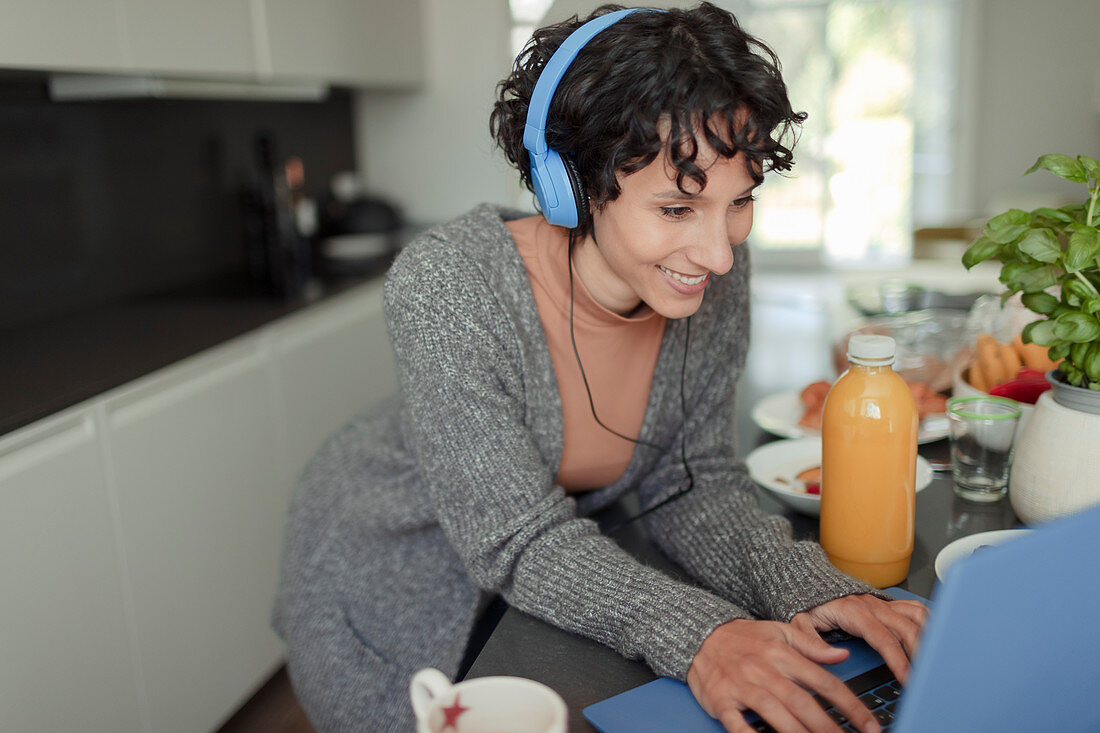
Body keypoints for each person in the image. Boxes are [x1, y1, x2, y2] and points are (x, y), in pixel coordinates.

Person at [272, 4, 927, 732]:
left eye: (739, 202)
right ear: (571, 185)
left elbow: (693, 476)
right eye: (678, 208)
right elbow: (515, 535)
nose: (718, 251)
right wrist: (703, 636)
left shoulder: (711, 274)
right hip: (393, 567)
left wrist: (806, 586)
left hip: (559, 552)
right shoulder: (447, 286)